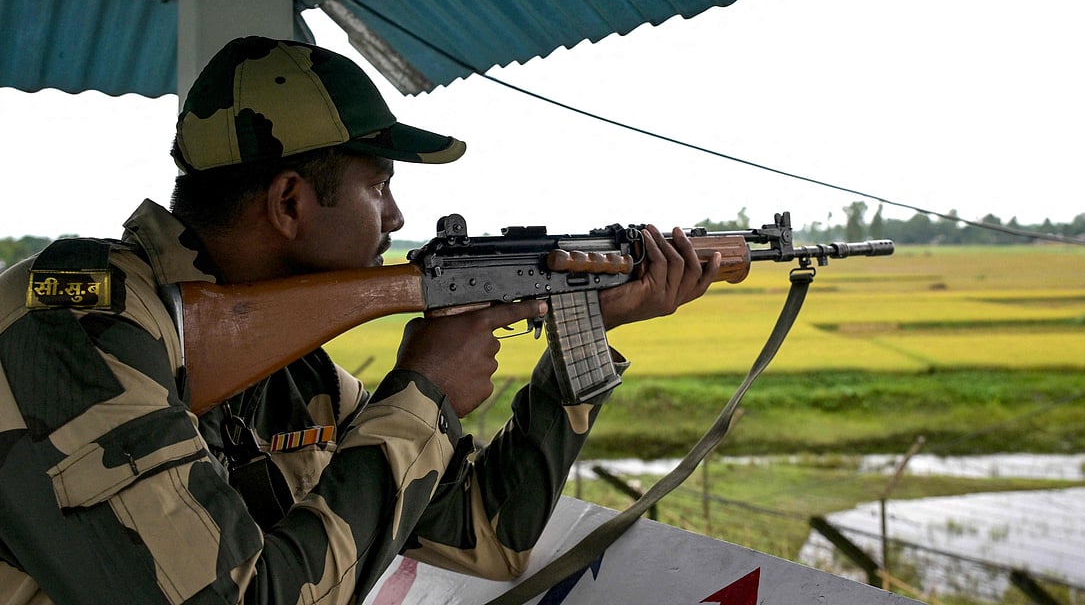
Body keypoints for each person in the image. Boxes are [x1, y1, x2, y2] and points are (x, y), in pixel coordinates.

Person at [0, 36, 720, 604]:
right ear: (289, 203)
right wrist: (423, 391)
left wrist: (582, 341)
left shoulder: (287, 370)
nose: (398, 217)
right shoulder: (72, 324)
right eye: (378, 185)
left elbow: (489, 534)